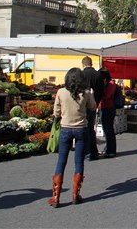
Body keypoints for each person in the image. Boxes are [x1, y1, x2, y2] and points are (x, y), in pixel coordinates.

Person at [48, 67, 97, 208]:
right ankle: (76, 194)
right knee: (79, 161)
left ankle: (56, 197)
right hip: (81, 129)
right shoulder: (86, 93)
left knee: (61, 161)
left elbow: (56, 112)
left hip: (66, 128)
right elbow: (93, 107)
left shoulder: (61, 92)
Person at [81, 56, 103, 161]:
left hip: (83, 106)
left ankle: (87, 151)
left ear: (83, 64)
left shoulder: (82, 75)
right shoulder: (98, 74)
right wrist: (96, 102)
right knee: (91, 128)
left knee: (84, 128)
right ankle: (93, 152)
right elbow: (101, 91)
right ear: (91, 63)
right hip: (94, 105)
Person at [98, 68, 118, 158]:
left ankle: (111, 150)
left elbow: (105, 96)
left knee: (108, 129)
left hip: (108, 107)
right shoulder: (110, 84)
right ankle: (109, 149)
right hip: (106, 107)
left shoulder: (110, 84)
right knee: (107, 129)